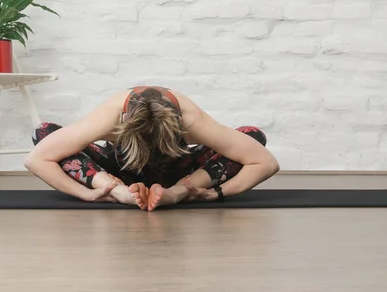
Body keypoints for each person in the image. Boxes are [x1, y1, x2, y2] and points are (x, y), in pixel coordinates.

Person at [24, 86, 280, 211]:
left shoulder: (190, 118)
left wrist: (213, 193)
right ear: (123, 124)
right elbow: (36, 159)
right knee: (45, 132)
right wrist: (89, 192)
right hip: (120, 171)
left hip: (177, 173)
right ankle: (119, 192)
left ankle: (179, 192)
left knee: (251, 136)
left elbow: (265, 162)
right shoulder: (109, 117)